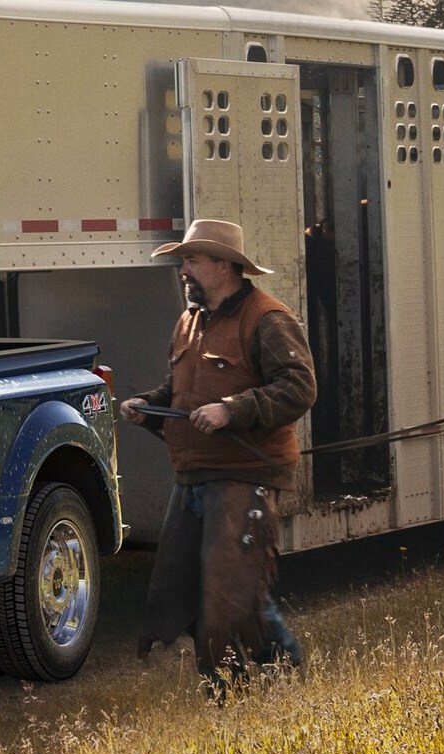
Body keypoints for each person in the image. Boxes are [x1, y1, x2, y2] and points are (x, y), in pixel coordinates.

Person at [119, 219, 317, 699]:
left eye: (192, 259)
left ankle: (247, 688)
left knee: (228, 597)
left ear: (224, 265)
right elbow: (182, 393)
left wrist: (232, 411)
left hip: (244, 475)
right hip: (193, 475)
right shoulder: (190, 321)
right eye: (183, 259)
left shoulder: (267, 319)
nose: (182, 268)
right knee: (192, 589)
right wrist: (147, 407)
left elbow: (299, 387)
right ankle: (262, 680)